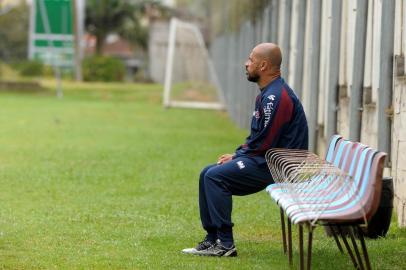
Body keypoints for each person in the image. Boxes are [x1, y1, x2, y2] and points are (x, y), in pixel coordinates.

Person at [182, 43, 309, 257]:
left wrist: (240, 155)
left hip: (279, 165)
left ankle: (226, 244)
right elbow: (260, 138)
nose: (246, 63)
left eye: (250, 60)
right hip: (267, 159)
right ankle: (212, 239)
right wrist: (238, 154)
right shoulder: (267, 94)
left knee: (215, 177)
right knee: (207, 173)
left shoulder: (275, 98)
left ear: (263, 65)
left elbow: (267, 140)